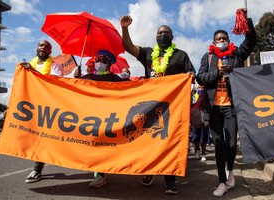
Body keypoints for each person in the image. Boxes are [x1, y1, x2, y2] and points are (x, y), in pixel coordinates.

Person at [120, 15, 195, 195]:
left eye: (166, 33)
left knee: (168, 141)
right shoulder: (147, 53)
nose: (163, 35)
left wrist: (190, 76)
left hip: (172, 108)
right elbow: (128, 47)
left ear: (172, 37)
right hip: (149, 107)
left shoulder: (180, 55)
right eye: (160, 33)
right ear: (156, 37)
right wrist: (125, 28)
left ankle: (170, 180)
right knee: (147, 141)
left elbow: (191, 72)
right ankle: (149, 171)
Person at [196, 8, 257, 197]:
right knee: (219, 144)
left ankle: (231, 173)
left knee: (231, 145)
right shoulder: (208, 57)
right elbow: (200, 78)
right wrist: (217, 74)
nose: (222, 41)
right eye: (218, 39)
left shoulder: (237, 55)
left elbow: (251, 42)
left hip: (232, 107)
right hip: (213, 108)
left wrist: (246, 22)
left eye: (224, 38)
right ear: (213, 42)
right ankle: (221, 181)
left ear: (229, 40)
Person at [75, 49, 123, 188]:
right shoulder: (87, 77)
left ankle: (100, 174)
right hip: (89, 117)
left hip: (108, 117)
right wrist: (76, 78)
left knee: (102, 146)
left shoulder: (115, 79)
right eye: (97, 60)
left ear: (109, 64)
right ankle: (99, 172)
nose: (99, 63)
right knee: (93, 145)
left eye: (102, 61)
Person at [22, 40, 63, 183]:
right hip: (30, 105)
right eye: (41, 45)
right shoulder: (30, 64)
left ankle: (37, 170)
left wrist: (32, 72)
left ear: (50, 51)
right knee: (33, 137)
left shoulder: (55, 65)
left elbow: (54, 82)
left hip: (47, 107)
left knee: (42, 137)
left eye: (47, 46)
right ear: (36, 48)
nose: (43, 48)